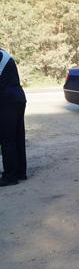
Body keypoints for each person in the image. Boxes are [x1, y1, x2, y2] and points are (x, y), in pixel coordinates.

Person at [0, 48, 27, 187]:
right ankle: (21, 172)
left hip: (7, 99)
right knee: (17, 136)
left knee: (7, 139)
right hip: (17, 97)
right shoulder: (3, 53)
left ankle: (10, 176)